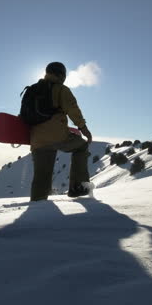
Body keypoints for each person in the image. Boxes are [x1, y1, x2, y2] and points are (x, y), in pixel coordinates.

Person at [29, 62, 93, 201]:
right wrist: (84, 129)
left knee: (42, 176)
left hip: (37, 140)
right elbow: (73, 110)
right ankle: (78, 188)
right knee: (81, 147)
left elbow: (25, 115)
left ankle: (37, 204)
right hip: (58, 136)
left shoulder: (32, 90)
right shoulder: (61, 90)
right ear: (61, 75)